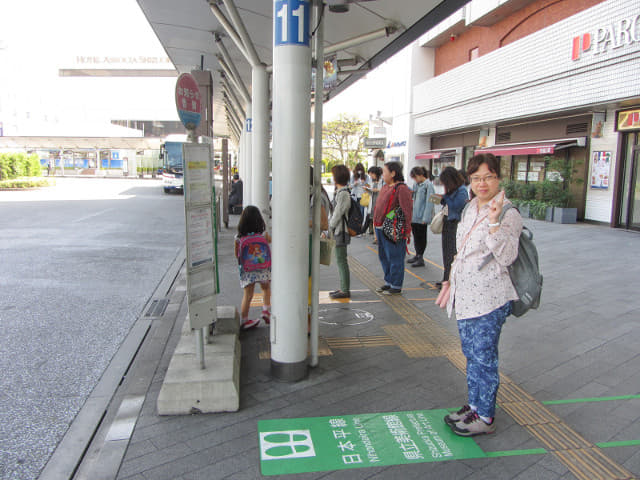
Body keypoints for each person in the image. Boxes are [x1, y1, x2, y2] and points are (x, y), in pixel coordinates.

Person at [438, 153, 522, 437]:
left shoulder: (509, 213)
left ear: (498, 178)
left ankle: (485, 417)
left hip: (489, 299)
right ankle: (474, 405)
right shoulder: (471, 206)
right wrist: (449, 282)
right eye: (476, 178)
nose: (482, 183)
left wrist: (495, 222)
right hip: (465, 297)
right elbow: (462, 251)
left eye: (488, 177)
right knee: (471, 355)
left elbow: (508, 256)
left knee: (484, 358)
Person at [372, 161, 412, 295]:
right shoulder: (385, 187)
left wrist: (407, 231)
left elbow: (407, 210)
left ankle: (396, 285)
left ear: (393, 173)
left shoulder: (402, 188)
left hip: (393, 228)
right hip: (380, 227)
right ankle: (388, 281)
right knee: (384, 257)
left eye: (384, 172)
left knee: (395, 257)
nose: (382, 174)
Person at [234, 206, 271, 330]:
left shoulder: (238, 238)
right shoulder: (263, 235)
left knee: (248, 294)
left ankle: (244, 320)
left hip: (247, 270)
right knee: (265, 289)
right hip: (263, 268)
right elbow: (270, 242)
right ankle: (266, 310)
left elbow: (237, 254)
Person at [436, 167, 468, 288]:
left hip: (455, 225)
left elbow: (456, 206)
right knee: (446, 254)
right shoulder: (452, 190)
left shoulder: (462, 191)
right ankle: (446, 279)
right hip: (447, 222)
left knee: (452, 254)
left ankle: (450, 281)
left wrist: (446, 198)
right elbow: (447, 206)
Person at [328, 165, 352, 299]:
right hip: (339, 230)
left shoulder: (343, 193)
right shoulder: (341, 192)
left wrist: (329, 227)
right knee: (340, 260)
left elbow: (338, 213)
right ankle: (343, 287)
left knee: (341, 260)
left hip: (341, 231)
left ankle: (345, 290)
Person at [408, 166, 435, 268]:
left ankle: (420, 257)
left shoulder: (429, 185)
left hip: (422, 217)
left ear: (420, 175)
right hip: (414, 215)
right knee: (416, 236)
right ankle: (417, 254)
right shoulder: (416, 184)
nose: (414, 180)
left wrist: (426, 218)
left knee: (421, 237)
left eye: (415, 177)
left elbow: (430, 203)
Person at [363, 166, 382, 241]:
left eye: (371, 174)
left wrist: (377, 190)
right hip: (373, 202)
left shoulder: (382, 181)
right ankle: (376, 237)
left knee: (379, 220)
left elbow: (385, 191)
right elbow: (371, 192)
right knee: (374, 220)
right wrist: (367, 190)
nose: (371, 176)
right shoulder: (372, 182)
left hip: (380, 203)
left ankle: (378, 237)